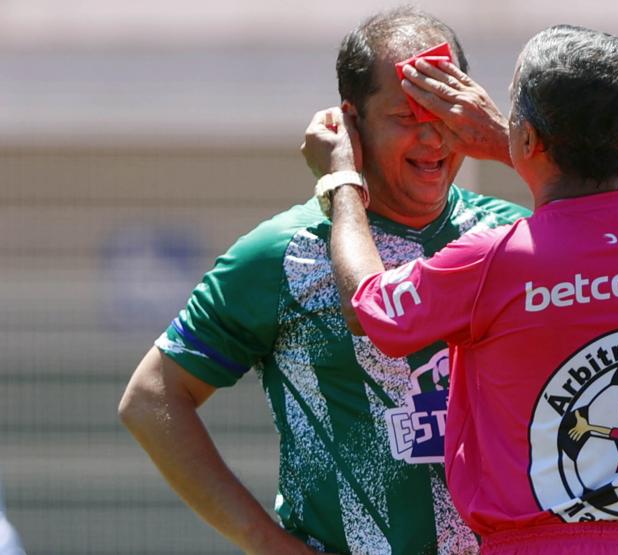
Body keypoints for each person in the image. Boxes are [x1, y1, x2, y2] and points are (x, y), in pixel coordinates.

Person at [118, 7, 528, 555]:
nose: (433, 139)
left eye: (446, 111)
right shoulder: (283, 253)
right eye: (407, 116)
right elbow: (151, 398)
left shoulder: (517, 236)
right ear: (350, 121)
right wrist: (262, 541)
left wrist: (509, 145)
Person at [318, 24, 618, 554]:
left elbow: (368, 304)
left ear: (527, 137)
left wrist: (342, 180)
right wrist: (516, 142)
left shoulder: (494, 261)